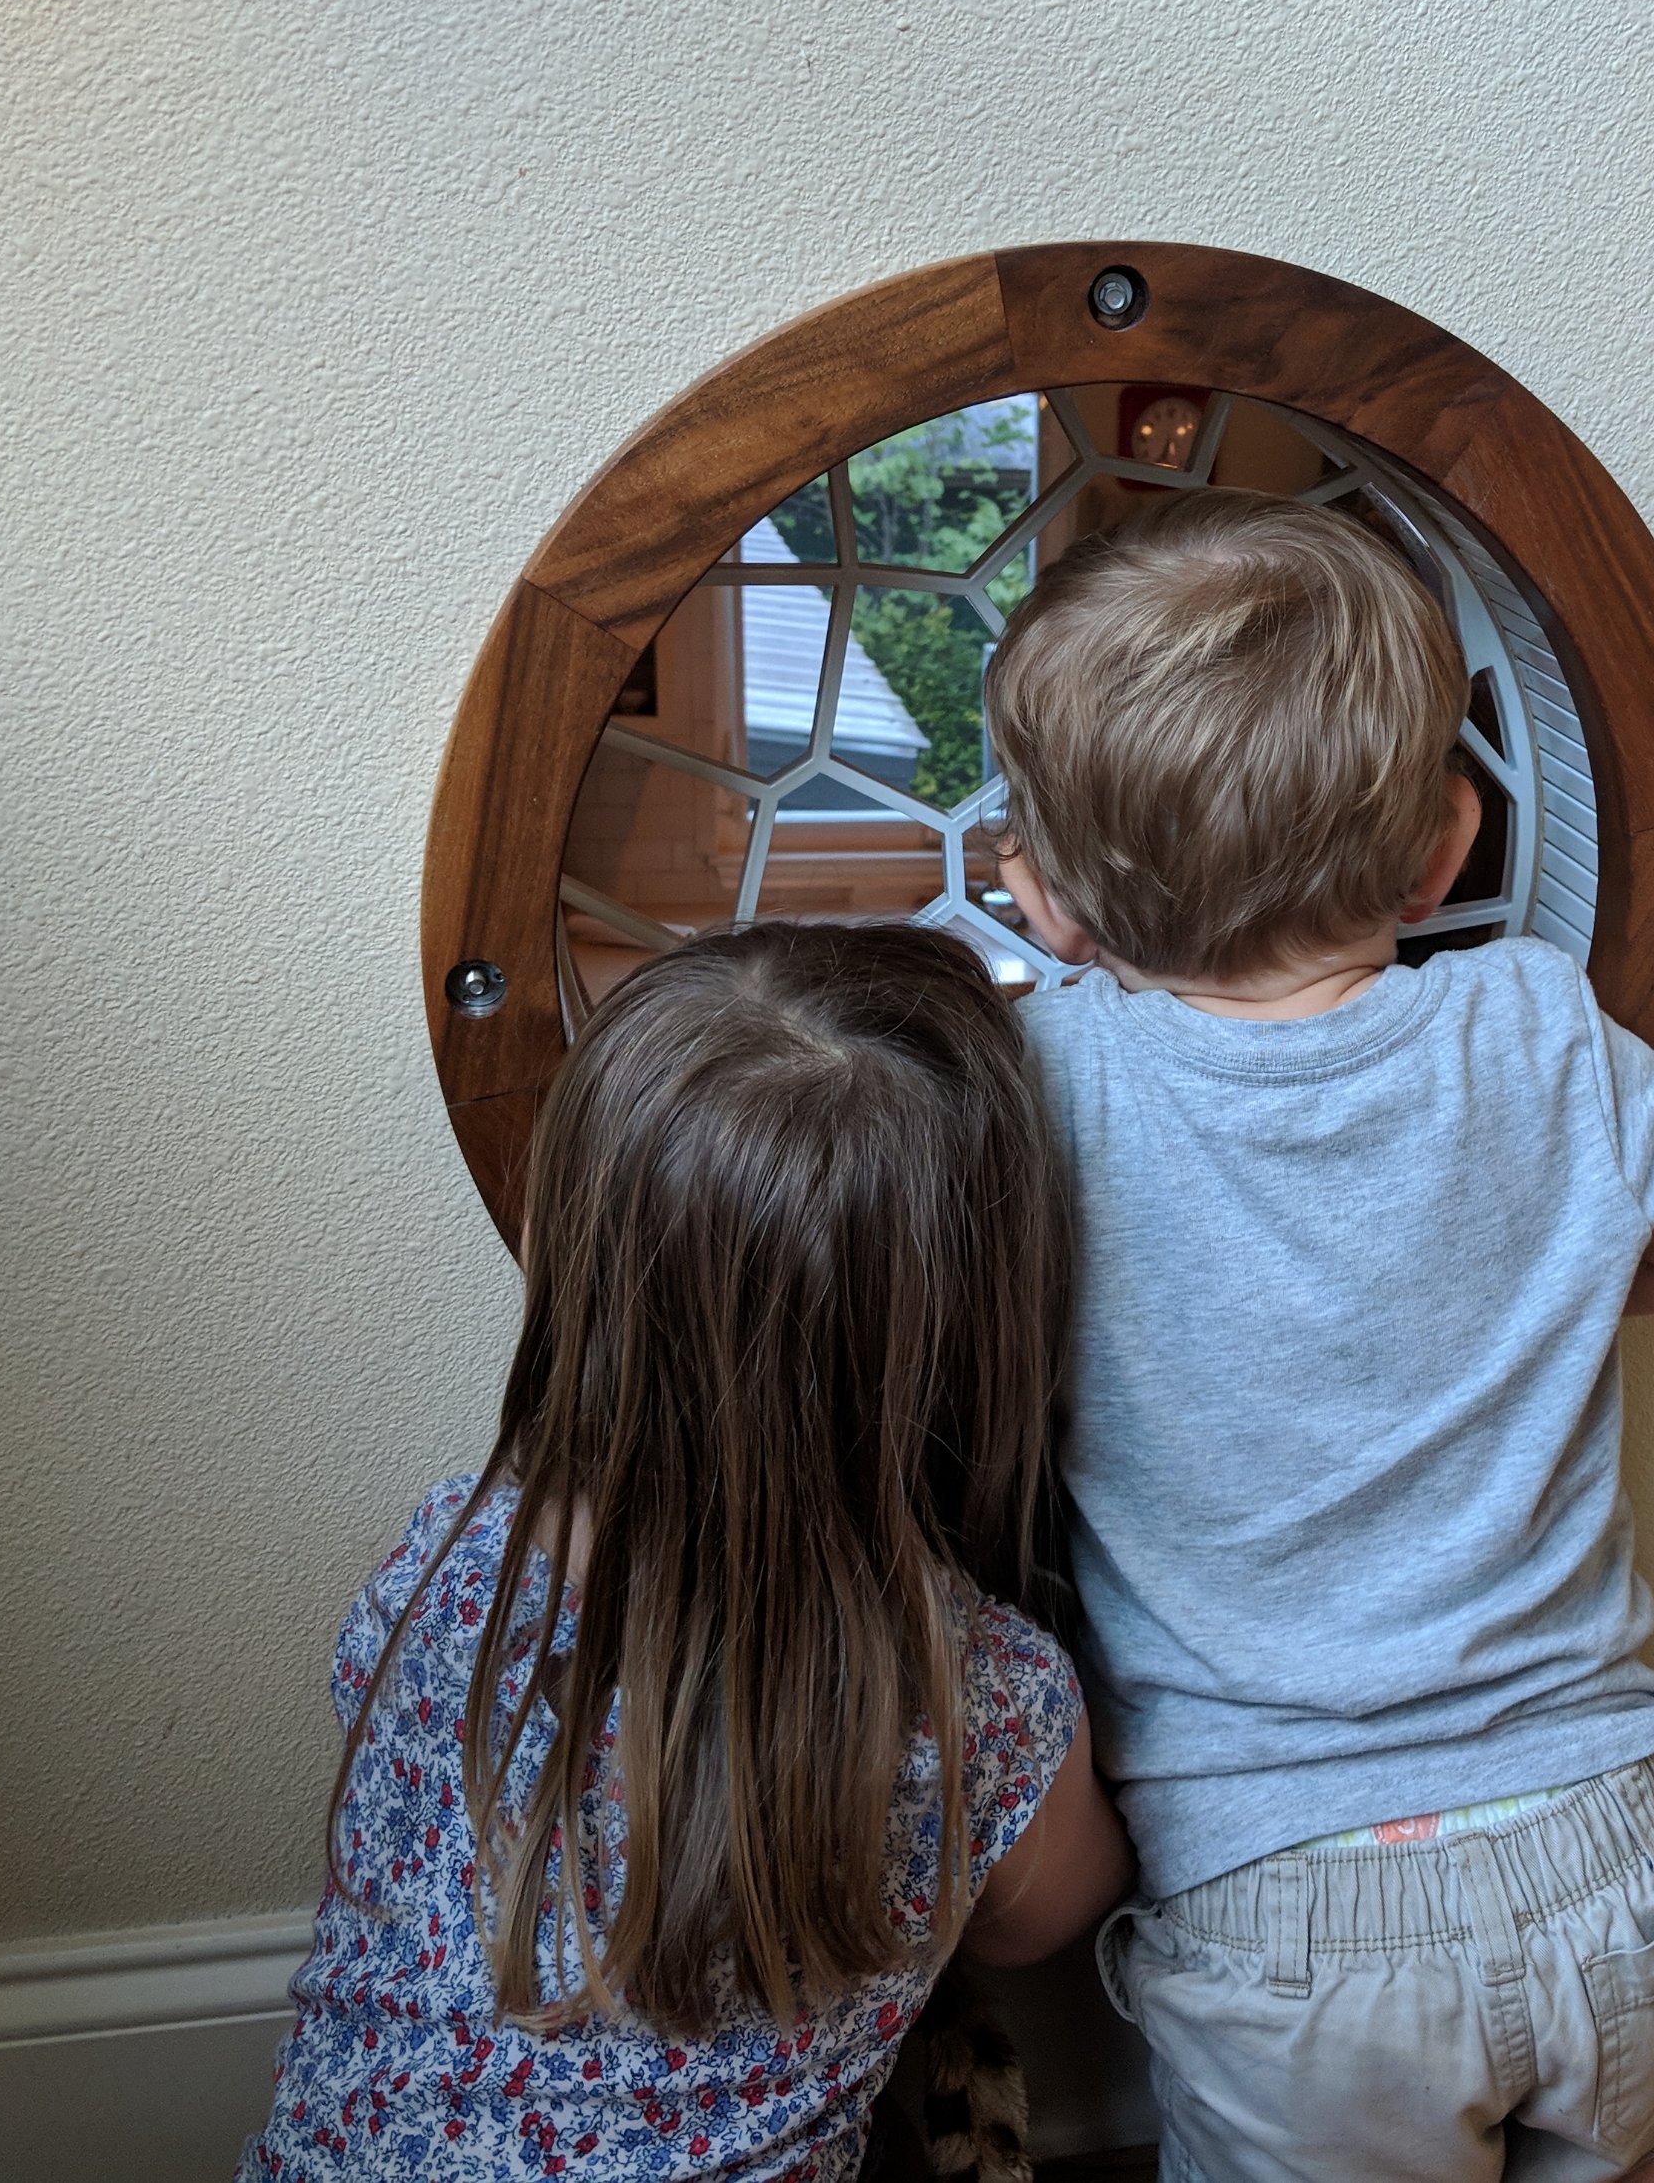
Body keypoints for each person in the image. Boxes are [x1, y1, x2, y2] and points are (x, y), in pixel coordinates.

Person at [984, 490, 1654, 2183]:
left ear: (1048, 904)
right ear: (1446, 845)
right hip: (1610, 1841)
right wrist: (1549, 1278)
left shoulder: (1043, 1088)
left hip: (1287, 1905)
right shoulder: (1532, 1024)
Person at [241, 922, 1131, 2181]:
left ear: (575, 1249)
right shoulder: (982, 1695)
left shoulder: (449, 1560)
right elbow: (1052, 1914)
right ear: (976, 1329)